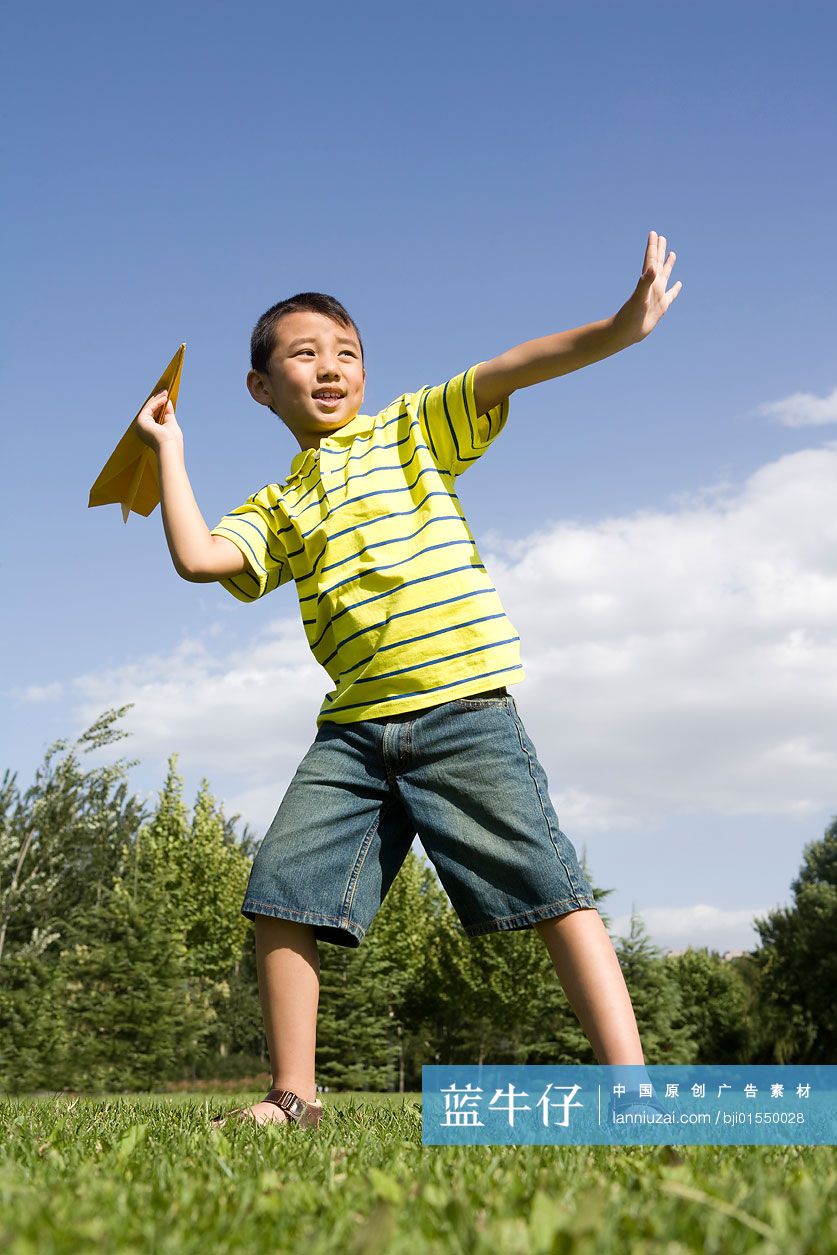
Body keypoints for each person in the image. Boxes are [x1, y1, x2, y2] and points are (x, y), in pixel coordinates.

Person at [133, 231, 682, 1128]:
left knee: (549, 887)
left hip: (463, 710)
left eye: (346, 353)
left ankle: (634, 1092)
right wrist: (168, 448)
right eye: (303, 355)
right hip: (354, 733)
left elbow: (510, 367)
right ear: (261, 387)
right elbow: (200, 558)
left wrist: (618, 329)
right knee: (279, 889)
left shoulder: (412, 429)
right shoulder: (277, 504)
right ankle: (295, 1096)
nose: (330, 367)